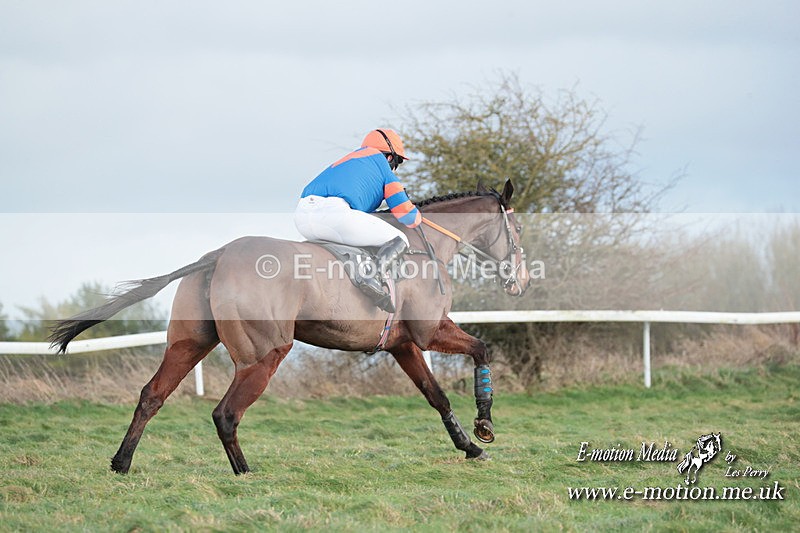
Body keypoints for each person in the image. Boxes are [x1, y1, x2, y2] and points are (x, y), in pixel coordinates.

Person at [294, 129, 421, 312]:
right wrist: (416, 212)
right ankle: (370, 277)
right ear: (389, 157)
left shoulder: (347, 162)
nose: (395, 167)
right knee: (401, 239)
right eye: (398, 161)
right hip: (334, 215)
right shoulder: (383, 168)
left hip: (302, 216)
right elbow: (408, 218)